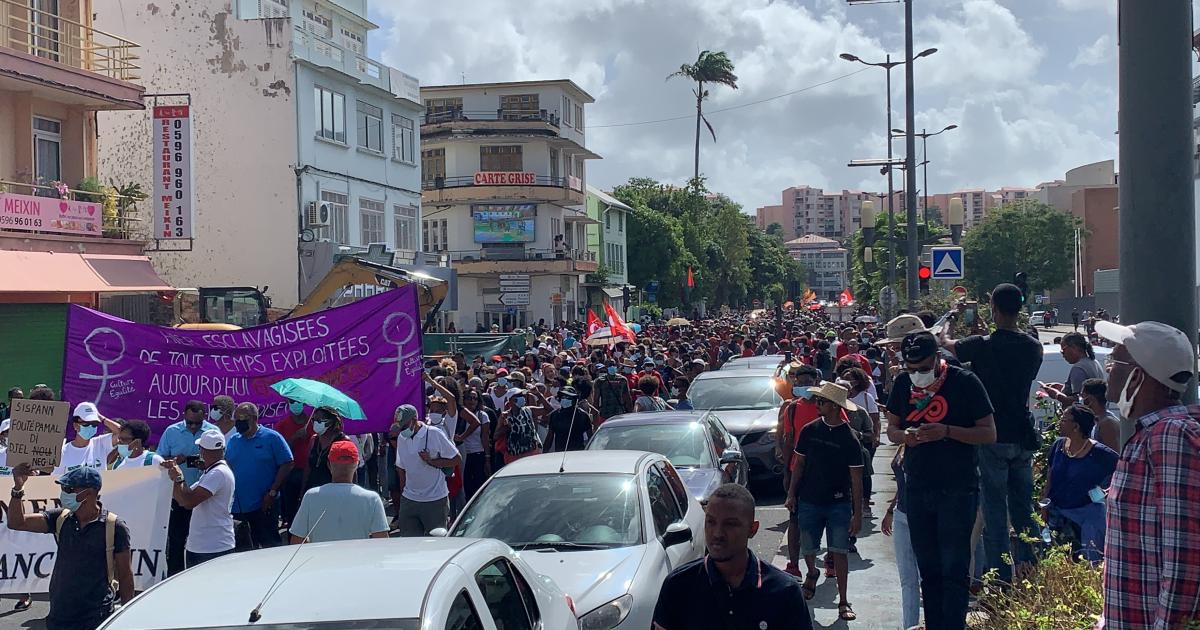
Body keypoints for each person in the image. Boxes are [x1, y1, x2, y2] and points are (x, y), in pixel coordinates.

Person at [887, 332, 996, 630]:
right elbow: (892, 429)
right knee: (929, 570)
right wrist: (905, 437)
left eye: (922, 368)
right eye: (911, 369)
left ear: (936, 357)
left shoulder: (964, 382)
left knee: (954, 568)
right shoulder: (902, 384)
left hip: (957, 488)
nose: (917, 375)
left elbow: (988, 433)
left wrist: (947, 431)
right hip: (918, 486)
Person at [1095, 319, 1200, 627]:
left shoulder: (1170, 437)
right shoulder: (1151, 435)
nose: (1108, 370)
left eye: (1114, 362)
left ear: (1138, 376)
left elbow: (1185, 561)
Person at [943, 283, 1042, 584]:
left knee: (995, 512)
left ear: (994, 308)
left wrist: (951, 315)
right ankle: (1032, 574)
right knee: (1025, 510)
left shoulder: (981, 345)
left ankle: (1001, 581)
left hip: (992, 435)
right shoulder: (1033, 346)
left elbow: (945, 342)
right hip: (1022, 436)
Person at [652, 483, 812, 630]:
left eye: (730, 524)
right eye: (711, 522)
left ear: (753, 529)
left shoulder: (785, 592)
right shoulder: (678, 586)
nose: (717, 533)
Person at [7, 464, 135, 630]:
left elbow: (125, 576)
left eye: (68, 488)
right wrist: (18, 489)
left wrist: (128, 619)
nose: (63, 493)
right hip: (60, 615)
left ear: (88, 493)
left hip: (96, 617)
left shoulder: (114, 527)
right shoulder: (60, 518)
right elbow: (17, 522)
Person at [784, 382, 863, 621]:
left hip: (839, 502)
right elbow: (799, 465)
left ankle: (843, 600)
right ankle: (811, 572)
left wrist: (857, 514)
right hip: (809, 499)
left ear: (834, 406)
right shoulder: (809, 430)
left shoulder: (850, 438)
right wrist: (791, 493)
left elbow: (856, 479)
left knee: (839, 551)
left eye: (821, 401)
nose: (817, 404)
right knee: (808, 547)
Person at [1040, 404, 1117, 564]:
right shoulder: (1058, 446)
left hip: (1088, 515)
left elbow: (1123, 472)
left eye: (1064, 420)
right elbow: (1050, 477)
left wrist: (1102, 493)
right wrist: (1044, 504)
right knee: (1054, 560)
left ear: (1076, 426)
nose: (1059, 422)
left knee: (1089, 563)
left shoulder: (1100, 454)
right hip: (1057, 514)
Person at [155, 399, 216, 576]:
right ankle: (175, 574)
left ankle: (200, 574)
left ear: (204, 417)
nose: (193, 426)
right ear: (183, 416)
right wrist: (175, 461)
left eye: (198, 423)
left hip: (203, 495)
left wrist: (202, 463)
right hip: (177, 496)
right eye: (190, 422)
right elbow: (159, 459)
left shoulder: (213, 433)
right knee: (176, 539)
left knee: (201, 540)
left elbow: (222, 459)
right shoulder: (171, 431)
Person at [160, 428, 236, 568]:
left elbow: (188, 502)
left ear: (203, 450)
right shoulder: (212, 472)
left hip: (213, 547)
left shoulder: (218, 473)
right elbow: (183, 498)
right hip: (204, 545)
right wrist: (172, 475)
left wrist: (178, 477)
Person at [289, 440, 388, 543]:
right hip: (358, 558)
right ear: (357, 464)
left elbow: (296, 540)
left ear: (329, 464)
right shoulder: (372, 499)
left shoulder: (311, 496)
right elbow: (382, 540)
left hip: (321, 558)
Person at [225, 402, 293, 549]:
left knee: (269, 544)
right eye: (236, 420)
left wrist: (273, 491)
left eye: (242, 420)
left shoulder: (272, 437)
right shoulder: (233, 440)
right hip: (238, 507)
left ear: (254, 418)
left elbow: (287, 463)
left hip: (264, 503)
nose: (238, 424)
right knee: (243, 547)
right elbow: (228, 464)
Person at [394, 403, 462, 536]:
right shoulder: (402, 437)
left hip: (435, 500)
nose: (402, 429)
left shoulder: (434, 433)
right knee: (408, 545)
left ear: (414, 420)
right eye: (399, 426)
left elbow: (456, 459)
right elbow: (400, 467)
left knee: (435, 546)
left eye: (404, 425)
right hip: (409, 500)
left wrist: (431, 461)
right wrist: (403, 493)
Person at [881, 446, 921, 630]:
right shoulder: (903, 443)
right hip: (901, 513)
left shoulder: (927, 442)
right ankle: (909, 625)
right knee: (907, 579)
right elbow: (901, 483)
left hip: (923, 517)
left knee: (926, 578)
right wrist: (890, 510)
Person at [273, 400, 314, 528]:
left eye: (299, 401)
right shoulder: (282, 425)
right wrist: (294, 438)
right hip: (290, 472)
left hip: (310, 471)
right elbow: (279, 452)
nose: (296, 404)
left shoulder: (314, 423)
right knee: (291, 509)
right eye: (292, 401)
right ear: (288, 403)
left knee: (309, 507)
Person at [55, 402, 120, 474]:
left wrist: (101, 418)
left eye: (94, 424)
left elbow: (120, 432)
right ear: (75, 425)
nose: (90, 426)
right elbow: (55, 479)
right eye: (86, 424)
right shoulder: (63, 452)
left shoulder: (101, 443)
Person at [1042, 332, 1104, 406]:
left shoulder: (1079, 368)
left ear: (1074, 347)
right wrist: (1062, 388)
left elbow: (1078, 402)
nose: (1062, 354)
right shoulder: (1093, 362)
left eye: (1063, 350)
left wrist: (1056, 395)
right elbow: (1089, 391)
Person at [302, 407, 351, 491]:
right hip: (312, 489)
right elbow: (308, 467)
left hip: (333, 491)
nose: (315, 423)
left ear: (330, 422)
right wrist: (302, 491)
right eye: (313, 420)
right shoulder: (314, 439)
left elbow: (350, 472)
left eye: (319, 420)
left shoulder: (343, 441)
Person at [458, 388, 492, 500]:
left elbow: (485, 437)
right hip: (463, 455)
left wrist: (487, 459)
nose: (472, 401)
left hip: (478, 454)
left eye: (475, 398)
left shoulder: (482, 416)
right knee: (465, 485)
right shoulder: (459, 415)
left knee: (478, 485)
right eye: (469, 398)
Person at [544, 385, 591, 452]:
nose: (565, 399)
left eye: (568, 398)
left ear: (574, 400)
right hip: (560, 453)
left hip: (578, 453)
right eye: (563, 397)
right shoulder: (555, 415)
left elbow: (590, 436)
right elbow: (549, 437)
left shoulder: (582, 415)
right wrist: (544, 452)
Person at [1079, 378, 1121, 451]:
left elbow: (1113, 456)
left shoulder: (1107, 424)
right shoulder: (1098, 420)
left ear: (1089, 400)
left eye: (1082, 396)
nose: (1080, 400)